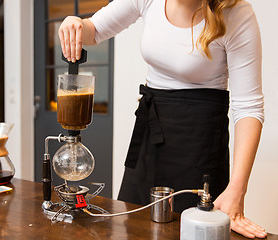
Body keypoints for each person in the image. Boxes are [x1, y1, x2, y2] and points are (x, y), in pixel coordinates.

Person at [58, 0, 267, 238]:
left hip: (200, 144)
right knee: (133, 227)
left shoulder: (235, 13)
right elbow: (93, 31)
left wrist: (237, 191)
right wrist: (74, 24)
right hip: (150, 134)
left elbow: (248, 107)